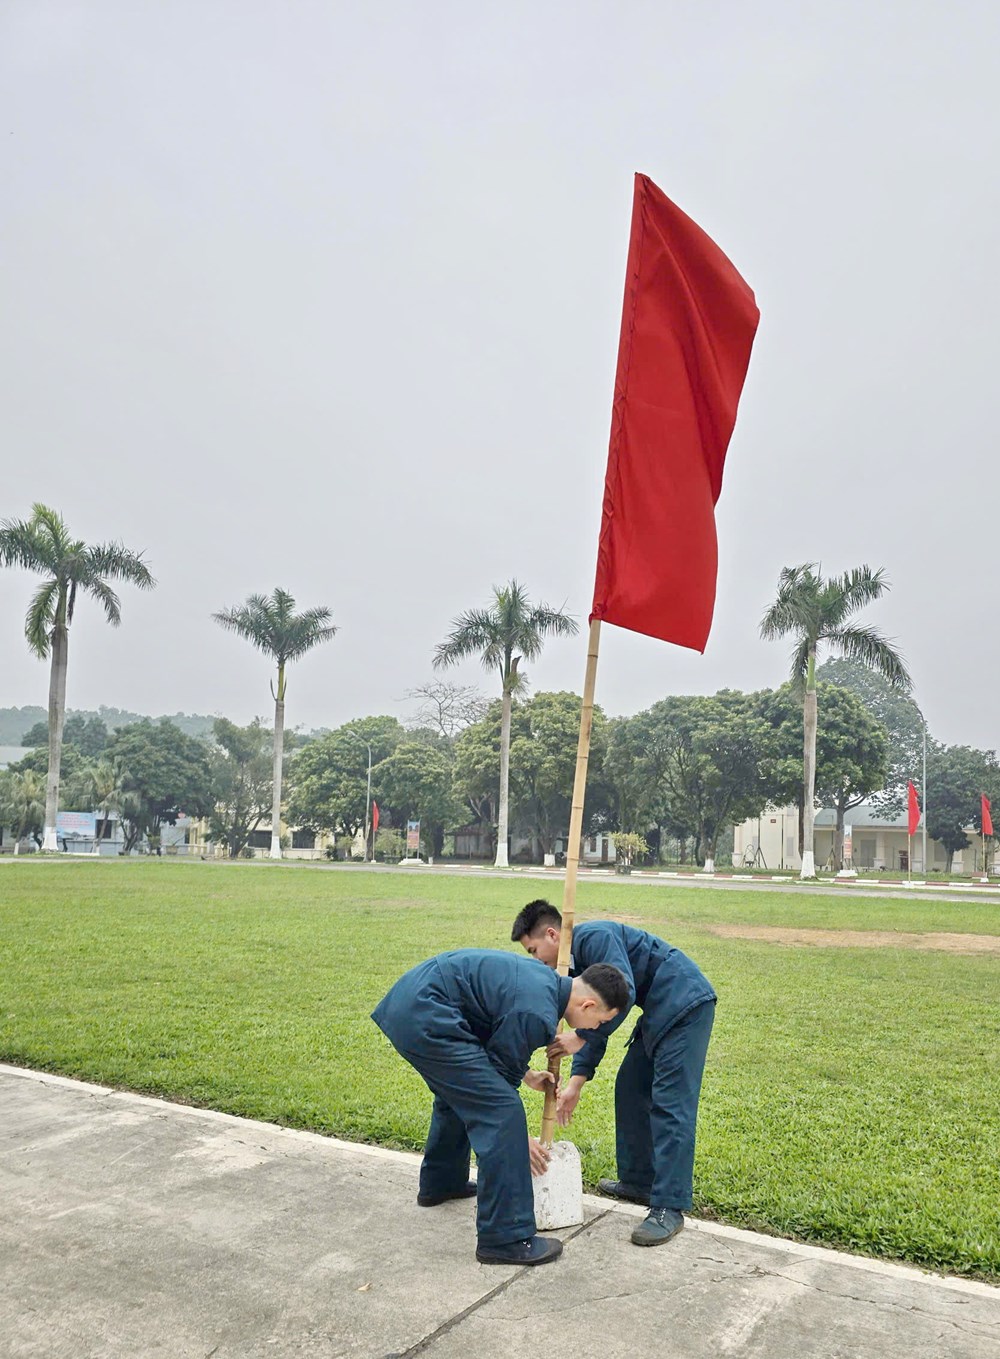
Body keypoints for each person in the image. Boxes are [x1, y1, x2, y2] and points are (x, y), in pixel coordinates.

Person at [371, 947, 629, 1266]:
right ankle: (505, 1238)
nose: (590, 1029)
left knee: (462, 1094)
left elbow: (496, 1054)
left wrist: (529, 1075)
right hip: (427, 1014)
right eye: (598, 1021)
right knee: (503, 1113)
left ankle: (442, 1182)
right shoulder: (538, 1012)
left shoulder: (545, 986)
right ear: (587, 1004)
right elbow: (497, 1094)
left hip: (417, 1004)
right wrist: (517, 1140)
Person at [511, 900, 716, 1248]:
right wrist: (576, 1082)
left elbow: (621, 995)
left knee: (670, 1104)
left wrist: (579, 1037)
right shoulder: (576, 968)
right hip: (657, 1011)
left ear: (551, 934)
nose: (536, 960)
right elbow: (598, 1019)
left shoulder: (594, 938)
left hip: (684, 1003)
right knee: (631, 1089)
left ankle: (669, 1205)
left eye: (534, 950)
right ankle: (639, 1180)